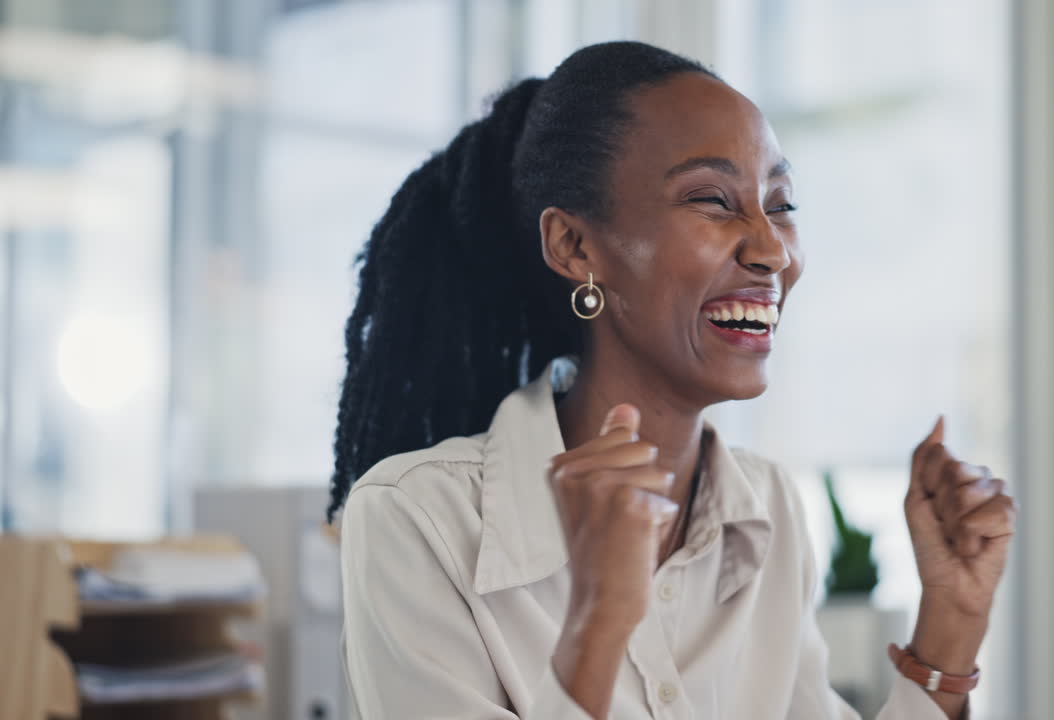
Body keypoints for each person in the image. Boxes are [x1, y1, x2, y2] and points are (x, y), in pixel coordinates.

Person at [327, 40, 1017, 720]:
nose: (772, 249)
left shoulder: (767, 508)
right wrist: (597, 624)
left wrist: (953, 620)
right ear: (575, 246)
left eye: (780, 204)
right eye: (714, 200)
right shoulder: (415, 518)